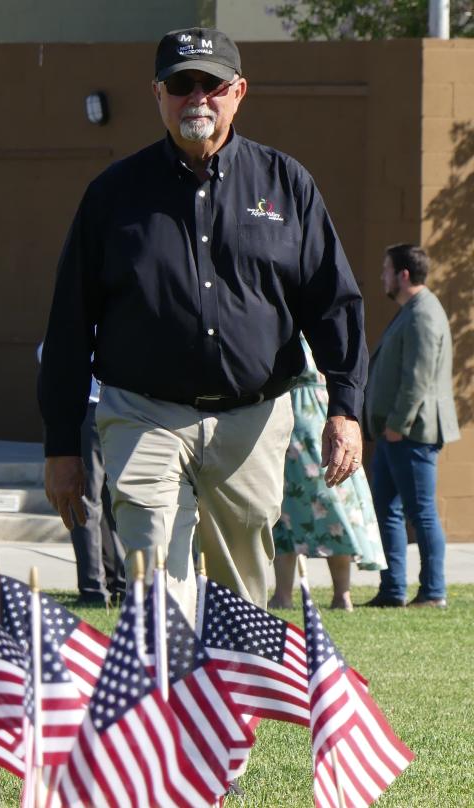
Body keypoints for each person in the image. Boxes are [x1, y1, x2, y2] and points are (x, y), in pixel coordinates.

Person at [38, 27, 368, 626]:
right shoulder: (113, 195)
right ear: (157, 94)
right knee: (154, 571)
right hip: (143, 416)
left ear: (238, 92)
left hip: (253, 419)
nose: (197, 98)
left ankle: (226, 710)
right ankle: (168, 709)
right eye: (181, 84)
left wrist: (345, 408)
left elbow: (333, 300)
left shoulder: (285, 184)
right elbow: (68, 325)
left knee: (242, 589)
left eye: (211, 84)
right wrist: (62, 444)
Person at [363, 244, 458, 609]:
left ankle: (433, 591)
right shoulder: (412, 311)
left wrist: (398, 425)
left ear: (404, 274)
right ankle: (392, 590)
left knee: (421, 513)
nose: (382, 277)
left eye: (386, 270)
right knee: (387, 510)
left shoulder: (423, 314)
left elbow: (417, 378)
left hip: (411, 433)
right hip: (395, 432)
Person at [269, 337, 386, 612]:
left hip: (296, 415)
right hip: (332, 412)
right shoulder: (329, 330)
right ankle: (340, 595)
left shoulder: (286, 325)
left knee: (287, 509)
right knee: (335, 504)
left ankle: (284, 595)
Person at [37, 343, 125, 606]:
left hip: (90, 410)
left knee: (85, 501)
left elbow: (46, 353)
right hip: (120, 413)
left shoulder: (86, 320)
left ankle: (94, 589)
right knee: (110, 502)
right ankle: (119, 582)